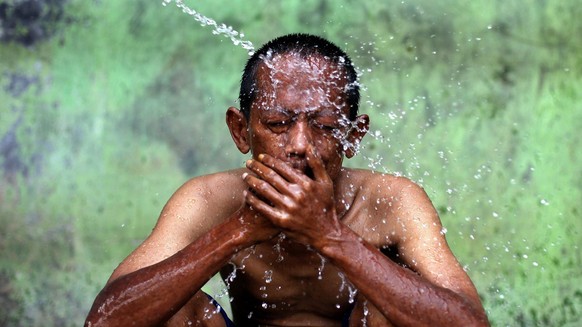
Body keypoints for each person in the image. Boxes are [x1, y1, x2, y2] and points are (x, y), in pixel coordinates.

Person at [85, 33, 489, 327]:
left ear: (352, 135)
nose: (299, 144)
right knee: (176, 308)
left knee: (392, 305)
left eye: (325, 126)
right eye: (277, 124)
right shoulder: (209, 199)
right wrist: (237, 231)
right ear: (241, 131)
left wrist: (330, 235)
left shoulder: (392, 201)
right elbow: (103, 322)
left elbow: (471, 324)